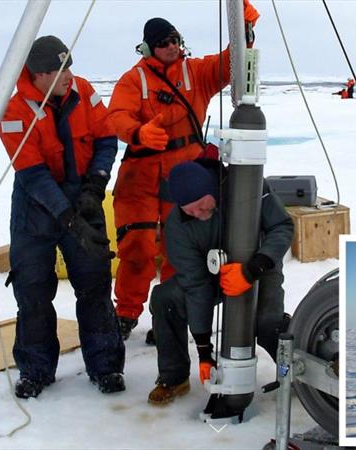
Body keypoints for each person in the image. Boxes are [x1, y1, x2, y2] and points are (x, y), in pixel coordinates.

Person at [107, 1, 260, 341]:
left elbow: (229, 65)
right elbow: (116, 116)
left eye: (174, 40)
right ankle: (126, 313)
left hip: (186, 174)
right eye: (163, 43)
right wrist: (138, 133)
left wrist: (244, 31)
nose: (171, 47)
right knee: (137, 247)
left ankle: (170, 314)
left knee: (181, 250)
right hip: (141, 174)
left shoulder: (197, 72)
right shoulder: (134, 81)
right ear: (148, 48)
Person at [0, 35, 125, 398]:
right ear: (38, 75)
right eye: (58, 70)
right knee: (33, 289)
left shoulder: (84, 91)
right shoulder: (15, 109)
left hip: (82, 195)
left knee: (95, 283)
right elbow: (32, 174)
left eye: (69, 66)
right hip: (35, 205)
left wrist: (95, 187)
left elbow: (105, 139)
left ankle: (106, 366)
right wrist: (68, 217)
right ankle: (35, 371)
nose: (68, 75)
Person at [146, 159, 293, 405]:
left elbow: (282, 226)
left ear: (210, 189)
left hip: (260, 267)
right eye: (189, 210)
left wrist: (252, 269)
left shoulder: (248, 186)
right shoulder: (177, 226)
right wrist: (205, 350)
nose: (197, 214)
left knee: (266, 323)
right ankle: (174, 377)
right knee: (165, 298)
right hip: (211, 276)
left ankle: (302, 370)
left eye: (201, 206)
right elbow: (195, 285)